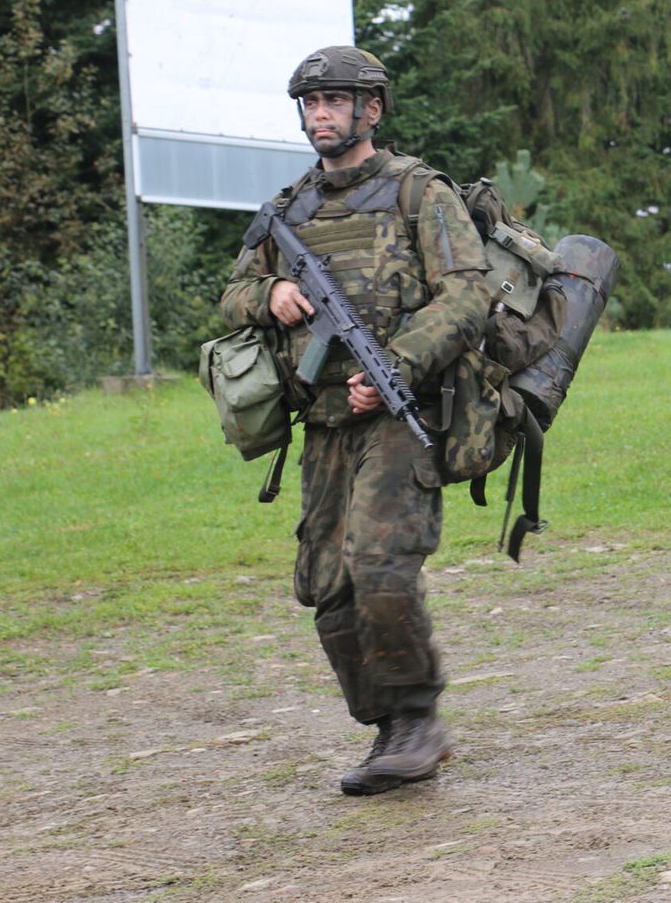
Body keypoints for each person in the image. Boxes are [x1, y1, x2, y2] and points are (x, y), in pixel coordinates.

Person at [219, 46, 491, 794]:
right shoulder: (287, 209)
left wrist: (395, 366)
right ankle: (384, 729)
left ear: (372, 109)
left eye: (335, 101)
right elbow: (231, 294)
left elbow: (468, 294)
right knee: (326, 585)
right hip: (325, 421)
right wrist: (270, 291)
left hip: (401, 414)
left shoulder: (418, 193)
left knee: (379, 564)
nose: (321, 116)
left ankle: (416, 720)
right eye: (310, 104)